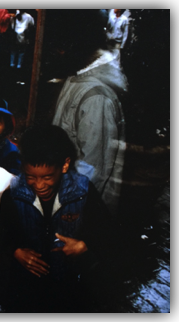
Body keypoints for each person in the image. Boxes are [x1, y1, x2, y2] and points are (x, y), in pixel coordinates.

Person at [0, 125, 112, 313]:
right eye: (30, 176)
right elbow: (2, 232)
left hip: (68, 283)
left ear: (64, 165)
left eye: (48, 177)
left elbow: (108, 232)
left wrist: (85, 244)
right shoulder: (14, 195)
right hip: (25, 284)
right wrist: (16, 251)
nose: (39, 185)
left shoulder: (83, 193)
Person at [51, 9, 128, 216]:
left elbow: (93, 170)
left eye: (63, 48)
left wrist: (63, 205)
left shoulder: (97, 97)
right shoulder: (76, 75)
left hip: (81, 211)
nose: (59, 53)